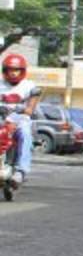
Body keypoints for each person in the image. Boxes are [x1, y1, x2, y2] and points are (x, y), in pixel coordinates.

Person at [0, 54, 40, 187]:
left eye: (16, 70)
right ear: (5, 70)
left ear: (22, 71)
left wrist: (24, 109)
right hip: (2, 120)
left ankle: (21, 171)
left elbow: (30, 109)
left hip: (20, 121)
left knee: (25, 134)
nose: (13, 73)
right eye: (10, 69)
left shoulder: (29, 86)